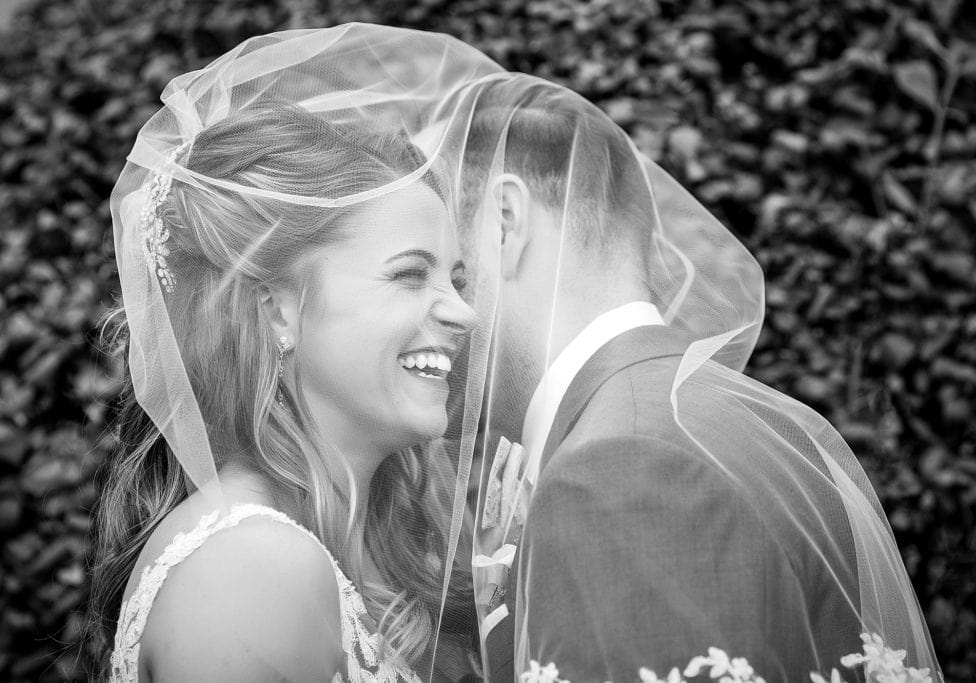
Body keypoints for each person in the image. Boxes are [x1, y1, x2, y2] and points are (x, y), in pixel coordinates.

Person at [448, 76, 942, 682]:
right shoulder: (774, 421)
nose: (441, 311)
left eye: (447, 268)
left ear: (505, 221)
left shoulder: (619, 469)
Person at [83, 25, 505, 682]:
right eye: (409, 274)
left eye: (457, 278)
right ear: (277, 310)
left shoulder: (306, 546)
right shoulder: (247, 567)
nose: (463, 311)